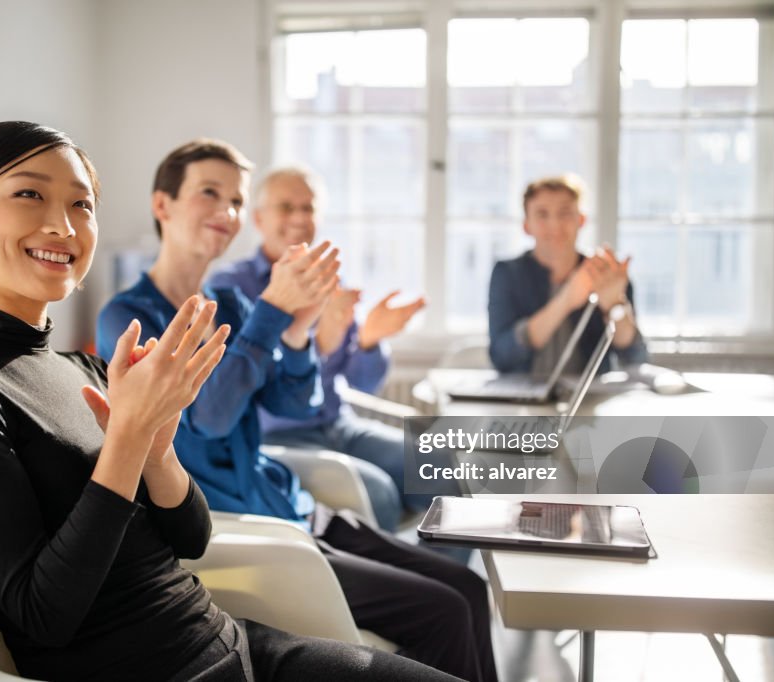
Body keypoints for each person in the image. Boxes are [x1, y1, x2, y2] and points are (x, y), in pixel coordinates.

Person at [0, 121, 462, 682]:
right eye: (29, 193)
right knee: (445, 609)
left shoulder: (85, 367)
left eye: (83, 204)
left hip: (233, 640)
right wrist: (128, 439)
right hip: (172, 668)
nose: (64, 224)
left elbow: (192, 538)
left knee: (454, 609)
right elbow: (46, 615)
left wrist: (157, 448)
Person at [97, 139, 499, 682]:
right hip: (247, 530)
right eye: (209, 193)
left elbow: (294, 400)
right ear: (162, 204)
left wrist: (300, 327)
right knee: (444, 610)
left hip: (292, 505)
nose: (227, 212)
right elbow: (205, 422)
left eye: (235, 200)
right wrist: (272, 315)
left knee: (469, 588)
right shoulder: (130, 316)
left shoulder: (234, 306)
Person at [208, 167, 443, 529]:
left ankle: (440, 582)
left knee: (445, 471)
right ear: (259, 218)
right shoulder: (229, 287)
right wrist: (319, 344)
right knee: (379, 495)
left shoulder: (330, 280)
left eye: (309, 208)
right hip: (278, 436)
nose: (300, 218)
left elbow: (363, 384)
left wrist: (370, 339)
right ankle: (387, 583)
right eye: (286, 207)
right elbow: (244, 386)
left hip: (341, 425)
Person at [488, 174, 648, 375]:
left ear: (581, 220)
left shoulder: (605, 274)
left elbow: (636, 358)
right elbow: (501, 357)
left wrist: (615, 305)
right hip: (522, 398)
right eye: (542, 214)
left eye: (565, 213)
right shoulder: (507, 274)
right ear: (526, 225)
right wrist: (567, 299)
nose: (555, 225)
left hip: (590, 399)